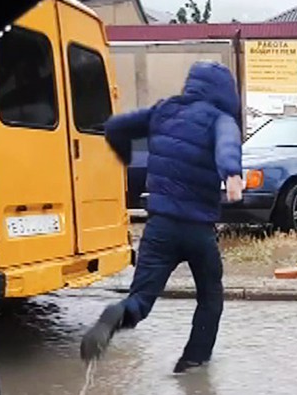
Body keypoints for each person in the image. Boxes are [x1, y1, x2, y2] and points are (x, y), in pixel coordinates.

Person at [80, 61, 243, 374]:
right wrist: (232, 174)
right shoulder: (220, 119)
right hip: (198, 232)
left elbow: (115, 126)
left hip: (159, 227)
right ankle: (193, 360)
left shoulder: (165, 110)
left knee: (140, 300)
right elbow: (227, 145)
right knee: (210, 297)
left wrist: (124, 156)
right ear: (226, 93)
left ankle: (117, 314)